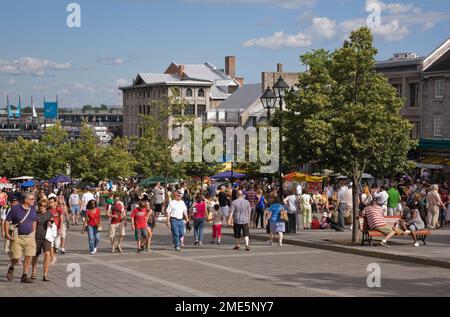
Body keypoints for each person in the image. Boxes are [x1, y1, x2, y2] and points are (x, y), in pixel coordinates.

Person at [5, 192, 38, 283]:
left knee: (29, 256)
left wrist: (34, 231)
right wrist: (7, 234)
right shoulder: (15, 208)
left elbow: (34, 220)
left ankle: (24, 275)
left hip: (30, 236)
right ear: (26, 200)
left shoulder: (33, 208)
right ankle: (11, 267)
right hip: (17, 236)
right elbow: (7, 221)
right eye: (32, 199)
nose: (33, 200)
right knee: (16, 256)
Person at [31, 199, 52, 282]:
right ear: (38, 206)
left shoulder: (49, 214)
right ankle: (33, 271)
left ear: (46, 207)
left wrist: (51, 223)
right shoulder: (35, 214)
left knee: (47, 254)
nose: (42, 207)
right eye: (41, 205)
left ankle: (45, 274)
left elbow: (53, 222)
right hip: (36, 237)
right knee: (35, 255)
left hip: (46, 237)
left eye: (44, 206)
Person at [48, 197, 64, 263]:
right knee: (51, 244)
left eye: (51, 202)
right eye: (49, 202)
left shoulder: (59, 209)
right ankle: (52, 257)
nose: (50, 203)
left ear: (55, 202)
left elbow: (61, 219)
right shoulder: (48, 209)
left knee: (56, 245)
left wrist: (60, 228)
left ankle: (54, 254)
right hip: (50, 229)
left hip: (57, 229)